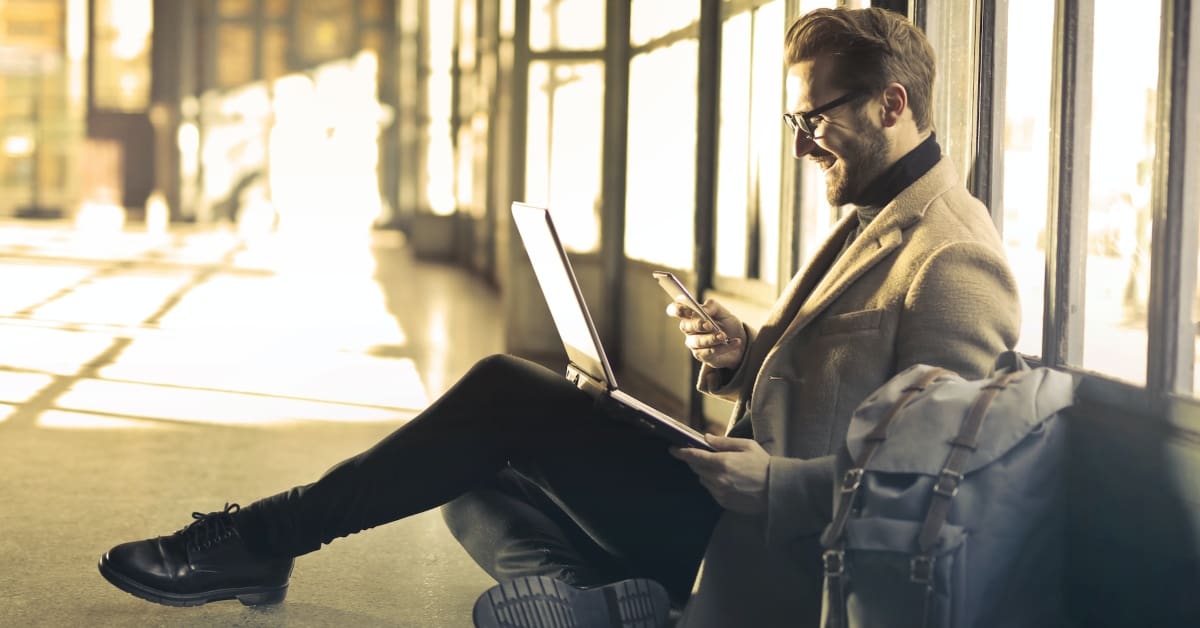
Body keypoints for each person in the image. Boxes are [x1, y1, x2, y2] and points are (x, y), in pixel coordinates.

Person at [97, 7, 1019, 628]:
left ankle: (260, 540)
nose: (804, 143)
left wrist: (776, 485)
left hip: (773, 536)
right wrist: (738, 357)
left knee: (497, 397)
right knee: (457, 466)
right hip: (729, 504)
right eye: (793, 123)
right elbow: (821, 379)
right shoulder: (871, 215)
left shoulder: (952, 256)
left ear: (893, 103)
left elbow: (941, 484)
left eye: (816, 119)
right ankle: (612, 600)